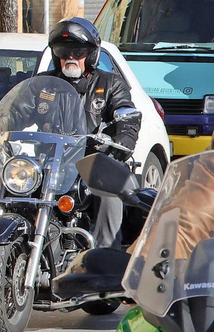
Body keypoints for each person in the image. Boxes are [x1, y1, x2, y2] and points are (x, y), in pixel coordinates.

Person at [39, 18, 140, 248]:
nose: (71, 57)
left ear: (92, 54)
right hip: (53, 162)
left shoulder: (111, 83)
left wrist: (123, 138)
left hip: (95, 162)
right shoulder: (43, 84)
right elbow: (18, 110)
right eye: (64, 51)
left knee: (109, 193)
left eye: (79, 51)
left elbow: (128, 114)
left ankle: (107, 252)